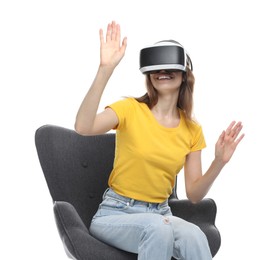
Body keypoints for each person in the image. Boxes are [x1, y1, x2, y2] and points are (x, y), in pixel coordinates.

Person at [75, 21, 244, 260]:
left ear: (185, 75)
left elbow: (194, 194)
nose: (162, 71)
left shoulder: (192, 130)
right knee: (159, 228)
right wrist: (105, 69)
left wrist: (219, 162)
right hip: (116, 212)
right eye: (156, 67)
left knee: (194, 235)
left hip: (161, 214)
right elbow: (83, 127)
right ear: (149, 74)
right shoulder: (129, 109)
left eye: (170, 65)